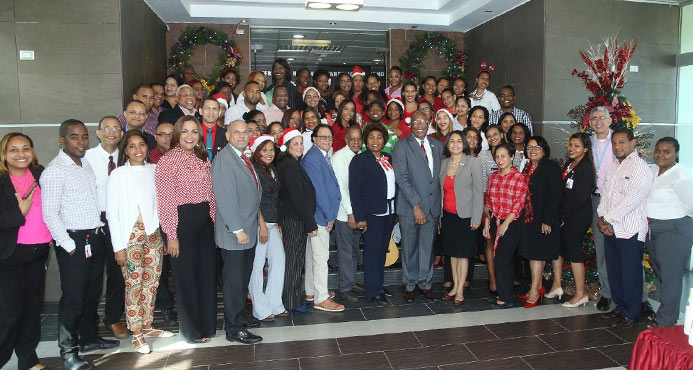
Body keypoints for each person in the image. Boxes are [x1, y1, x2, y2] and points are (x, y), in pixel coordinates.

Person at [41, 119, 119, 370]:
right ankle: (68, 351)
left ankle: (89, 339)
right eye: (74, 137)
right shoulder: (54, 171)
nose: (81, 142)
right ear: (62, 140)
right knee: (73, 298)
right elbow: (49, 213)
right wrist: (67, 244)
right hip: (73, 241)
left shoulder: (84, 165)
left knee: (91, 293)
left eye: (84, 137)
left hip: (93, 236)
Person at [107, 131, 173, 354]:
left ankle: (147, 325)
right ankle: (136, 333)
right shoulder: (118, 175)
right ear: (125, 150)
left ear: (147, 147)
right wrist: (118, 246)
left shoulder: (155, 171)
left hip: (154, 234)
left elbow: (163, 205)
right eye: (132, 146)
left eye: (142, 145)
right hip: (130, 236)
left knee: (151, 283)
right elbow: (112, 214)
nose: (138, 150)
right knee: (133, 285)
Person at [155, 115, 217, 343]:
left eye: (194, 132)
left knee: (206, 275)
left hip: (204, 223)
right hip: (181, 224)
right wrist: (171, 235)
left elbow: (210, 195)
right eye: (185, 131)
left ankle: (207, 327)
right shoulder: (167, 162)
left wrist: (213, 223)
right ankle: (191, 331)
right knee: (186, 278)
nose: (190, 136)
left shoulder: (203, 158)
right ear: (177, 134)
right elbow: (166, 201)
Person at [0, 133, 52, 370]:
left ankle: (28, 361)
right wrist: (19, 212)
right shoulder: (1, 180)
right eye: (14, 150)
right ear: (4, 153)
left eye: (25, 149)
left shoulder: (39, 173)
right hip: (10, 255)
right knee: (10, 314)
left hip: (38, 250)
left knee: (32, 308)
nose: (21, 154)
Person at [211, 120, 263, 344]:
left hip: (246, 231)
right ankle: (233, 329)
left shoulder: (242, 156)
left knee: (241, 280)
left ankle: (239, 317)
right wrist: (238, 229)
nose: (242, 136)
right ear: (228, 135)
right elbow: (225, 198)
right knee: (234, 284)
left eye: (245, 132)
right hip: (235, 234)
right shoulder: (225, 159)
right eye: (237, 132)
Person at [597, 128, 653, 328]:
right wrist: (602, 217)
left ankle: (632, 312)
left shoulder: (640, 167)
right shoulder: (613, 167)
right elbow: (605, 194)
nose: (617, 146)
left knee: (630, 273)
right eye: (615, 143)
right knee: (615, 272)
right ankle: (620, 307)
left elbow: (633, 199)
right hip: (611, 228)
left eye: (622, 142)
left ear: (632, 143)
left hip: (629, 229)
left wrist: (609, 219)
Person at [84, 116, 128, 340]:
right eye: (106, 128)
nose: (112, 132)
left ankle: (113, 317)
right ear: (98, 133)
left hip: (118, 223)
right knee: (91, 276)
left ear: (122, 133)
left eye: (116, 128)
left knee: (118, 273)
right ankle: (87, 323)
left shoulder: (126, 156)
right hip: (92, 223)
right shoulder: (86, 158)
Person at [393, 111, 443, 302]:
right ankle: (410, 284)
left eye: (423, 121)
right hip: (409, 207)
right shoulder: (401, 146)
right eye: (416, 122)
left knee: (427, 248)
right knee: (409, 248)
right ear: (410, 125)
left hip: (432, 206)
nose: (420, 125)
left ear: (429, 123)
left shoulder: (437, 145)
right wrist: (416, 205)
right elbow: (402, 178)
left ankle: (425, 283)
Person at [645, 137, 693, 328]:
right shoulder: (652, 171)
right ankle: (665, 312)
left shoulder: (682, 175)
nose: (661, 155)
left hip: (674, 230)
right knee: (662, 273)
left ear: (676, 154)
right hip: (653, 229)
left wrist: (676, 218)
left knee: (671, 276)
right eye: (658, 150)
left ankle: (666, 320)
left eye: (667, 151)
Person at [349, 124, 396, 304]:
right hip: (372, 214)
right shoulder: (360, 160)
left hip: (389, 212)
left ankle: (378, 285)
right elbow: (354, 190)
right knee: (372, 253)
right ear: (365, 141)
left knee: (382, 251)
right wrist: (360, 217)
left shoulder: (388, 157)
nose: (375, 141)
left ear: (384, 140)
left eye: (379, 137)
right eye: (371, 137)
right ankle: (372, 291)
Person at [547, 132, 596, 307]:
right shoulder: (570, 164)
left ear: (586, 149)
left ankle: (581, 294)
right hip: (564, 215)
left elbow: (580, 198)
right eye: (571, 145)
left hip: (577, 217)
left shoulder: (585, 169)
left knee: (574, 253)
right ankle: (557, 285)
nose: (572, 149)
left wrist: (564, 217)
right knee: (558, 249)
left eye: (577, 146)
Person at [301, 124, 345, 312]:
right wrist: (329, 216)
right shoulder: (312, 158)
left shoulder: (320, 155)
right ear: (314, 138)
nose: (327, 140)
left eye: (329, 137)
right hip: (319, 215)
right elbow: (318, 191)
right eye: (323, 137)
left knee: (312, 256)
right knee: (321, 258)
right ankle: (321, 297)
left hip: (320, 214)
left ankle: (311, 291)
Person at [274, 128, 317, 312]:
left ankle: (294, 298)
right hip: (294, 219)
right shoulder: (289, 165)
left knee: (295, 260)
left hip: (294, 218)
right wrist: (310, 223)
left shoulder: (290, 163)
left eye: (301, 143)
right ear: (287, 146)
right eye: (295, 144)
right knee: (294, 260)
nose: (299, 147)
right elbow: (298, 196)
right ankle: (291, 301)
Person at [438, 131, 483, 305]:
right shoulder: (444, 163)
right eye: (451, 141)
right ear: (447, 145)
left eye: (458, 141)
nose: (455, 144)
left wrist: (477, 217)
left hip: (466, 216)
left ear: (464, 143)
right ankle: (455, 286)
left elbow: (479, 192)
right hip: (448, 216)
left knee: (463, 255)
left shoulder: (473, 162)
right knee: (452, 254)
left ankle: (460, 292)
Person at [517, 136, 561, 308]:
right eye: (529, 147)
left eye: (537, 147)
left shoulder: (551, 167)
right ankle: (537, 286)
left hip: (544, 218)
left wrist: (547, 220)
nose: (533, 150)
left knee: (537, 255)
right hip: (529, 217)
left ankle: (534, 291)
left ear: (544, 150)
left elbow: (555, 195)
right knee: (535, 254)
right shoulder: (528, 167)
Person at [482, 143, 528, 309]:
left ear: (512, 158)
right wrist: (487, 222)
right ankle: (504, 294)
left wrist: (506, 224)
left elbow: (519, 204)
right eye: (497, 156)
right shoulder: (493, 176)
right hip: (495, 221)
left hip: (511, 223)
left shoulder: (519, 177)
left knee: (502, 259)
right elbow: (488, 201)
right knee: (500, 259)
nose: (500, 159)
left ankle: (506, 297)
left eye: (503, 156)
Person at [248, 135, 288, 322]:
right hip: (259, 225)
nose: (269, 153)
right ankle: (260, 309)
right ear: (256, 151)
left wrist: (276, 222)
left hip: (272, 224)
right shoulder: (254, 170)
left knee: (279, 261)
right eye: (264, 150)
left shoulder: (271, 169)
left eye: (271, 149)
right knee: (256, 267)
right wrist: (262, 225)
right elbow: (254, 201)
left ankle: (274, 303)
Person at [331, 126, 365, 302]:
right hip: (345, 214)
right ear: (346, 139)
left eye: (359, 138)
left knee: (353, 251)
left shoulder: (360, 156)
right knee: (345, 251)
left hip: (358, 213)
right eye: (352, 138)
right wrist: (351, 213)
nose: (356, 142)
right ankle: (344, 287)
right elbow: (342, 189)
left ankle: (351, 281)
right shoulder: (339, 158)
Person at [149, 121, 177, 324]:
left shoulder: (182, 157)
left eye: (170, 134)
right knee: (162, 266)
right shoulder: (148, 159)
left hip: (181, 219)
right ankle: (166, 306)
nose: (167, 138)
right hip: (155, 219)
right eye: (162, 134)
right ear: (155, 137)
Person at [589, 106, 617, 311]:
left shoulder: (619, 141)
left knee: (625, 248)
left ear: (609, 120)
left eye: (602, 118)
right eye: (594, 118)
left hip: (617, 200)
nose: (598, 122)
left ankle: (637, 297)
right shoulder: (586, 142)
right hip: (594, 200)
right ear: (590, 122)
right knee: (601, 249)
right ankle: (606, 293)